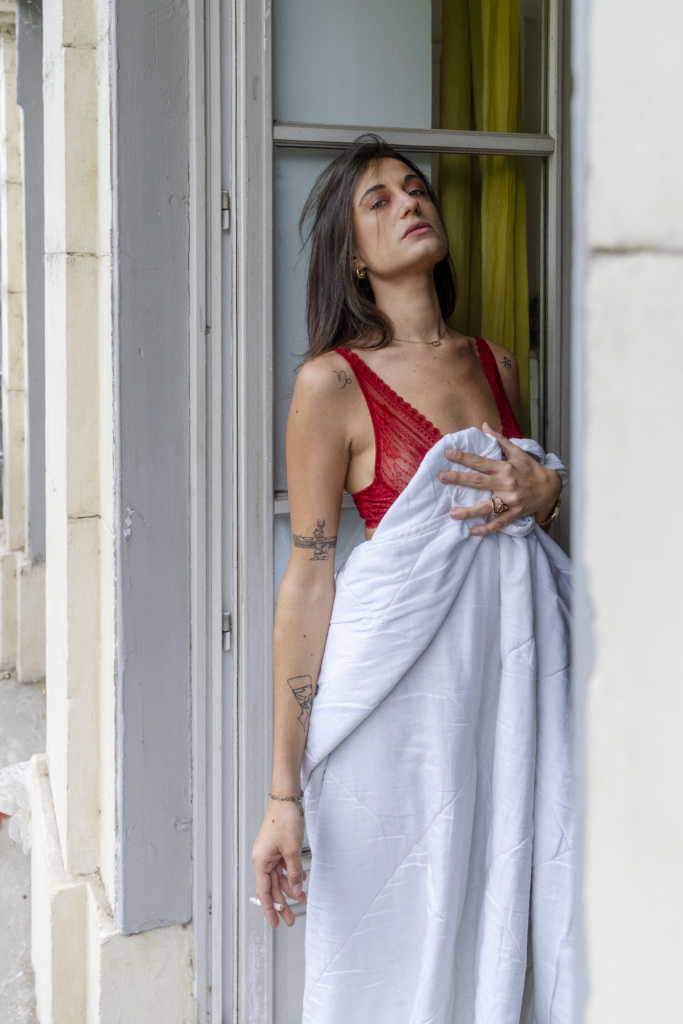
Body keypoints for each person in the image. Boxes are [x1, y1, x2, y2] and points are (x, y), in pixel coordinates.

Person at [252, 136, 573, 1024]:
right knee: (392, 939)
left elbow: (507, 534)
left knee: (499, 919)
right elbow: (308, 578)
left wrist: (546, 490)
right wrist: (281, 793)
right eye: (379, 201)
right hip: (393, 710)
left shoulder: (496, 363)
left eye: (415, 188)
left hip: (504, 703)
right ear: (352, 257)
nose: (409, 203)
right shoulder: (330, 383)